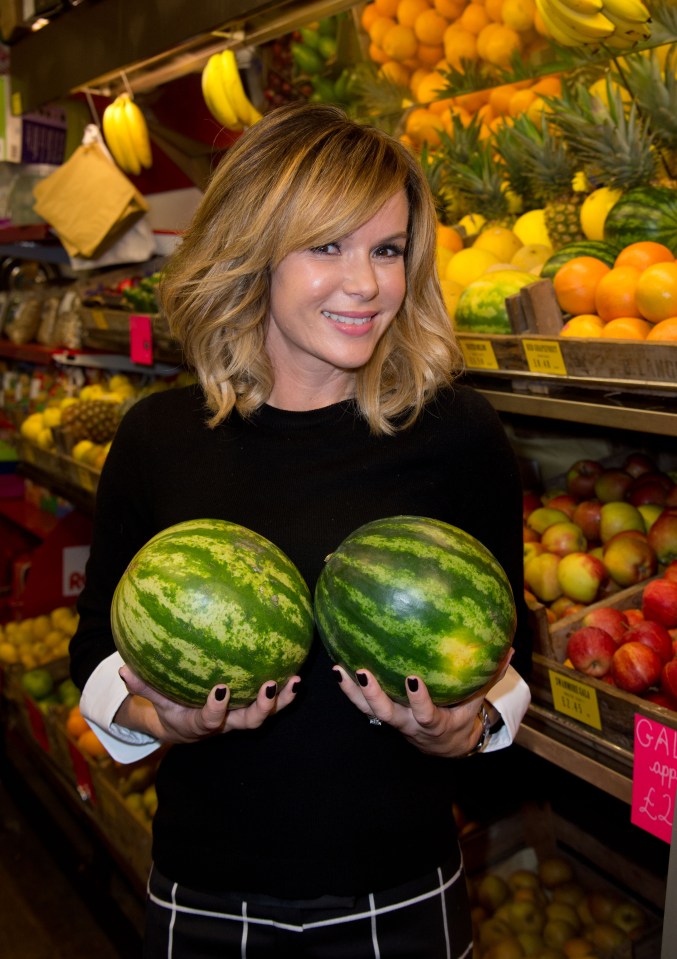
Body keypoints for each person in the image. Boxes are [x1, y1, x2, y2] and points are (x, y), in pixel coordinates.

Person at [70, 100, 532, 959]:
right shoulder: (159, 438)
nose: (366, 284)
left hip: (400, 887)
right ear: (256, 254)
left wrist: (465, 725)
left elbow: (511, 655)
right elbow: (95, 644)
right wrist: (157, 716)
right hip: (208, 889)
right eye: (327, 246)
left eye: (387, 250)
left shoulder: (458, 436)